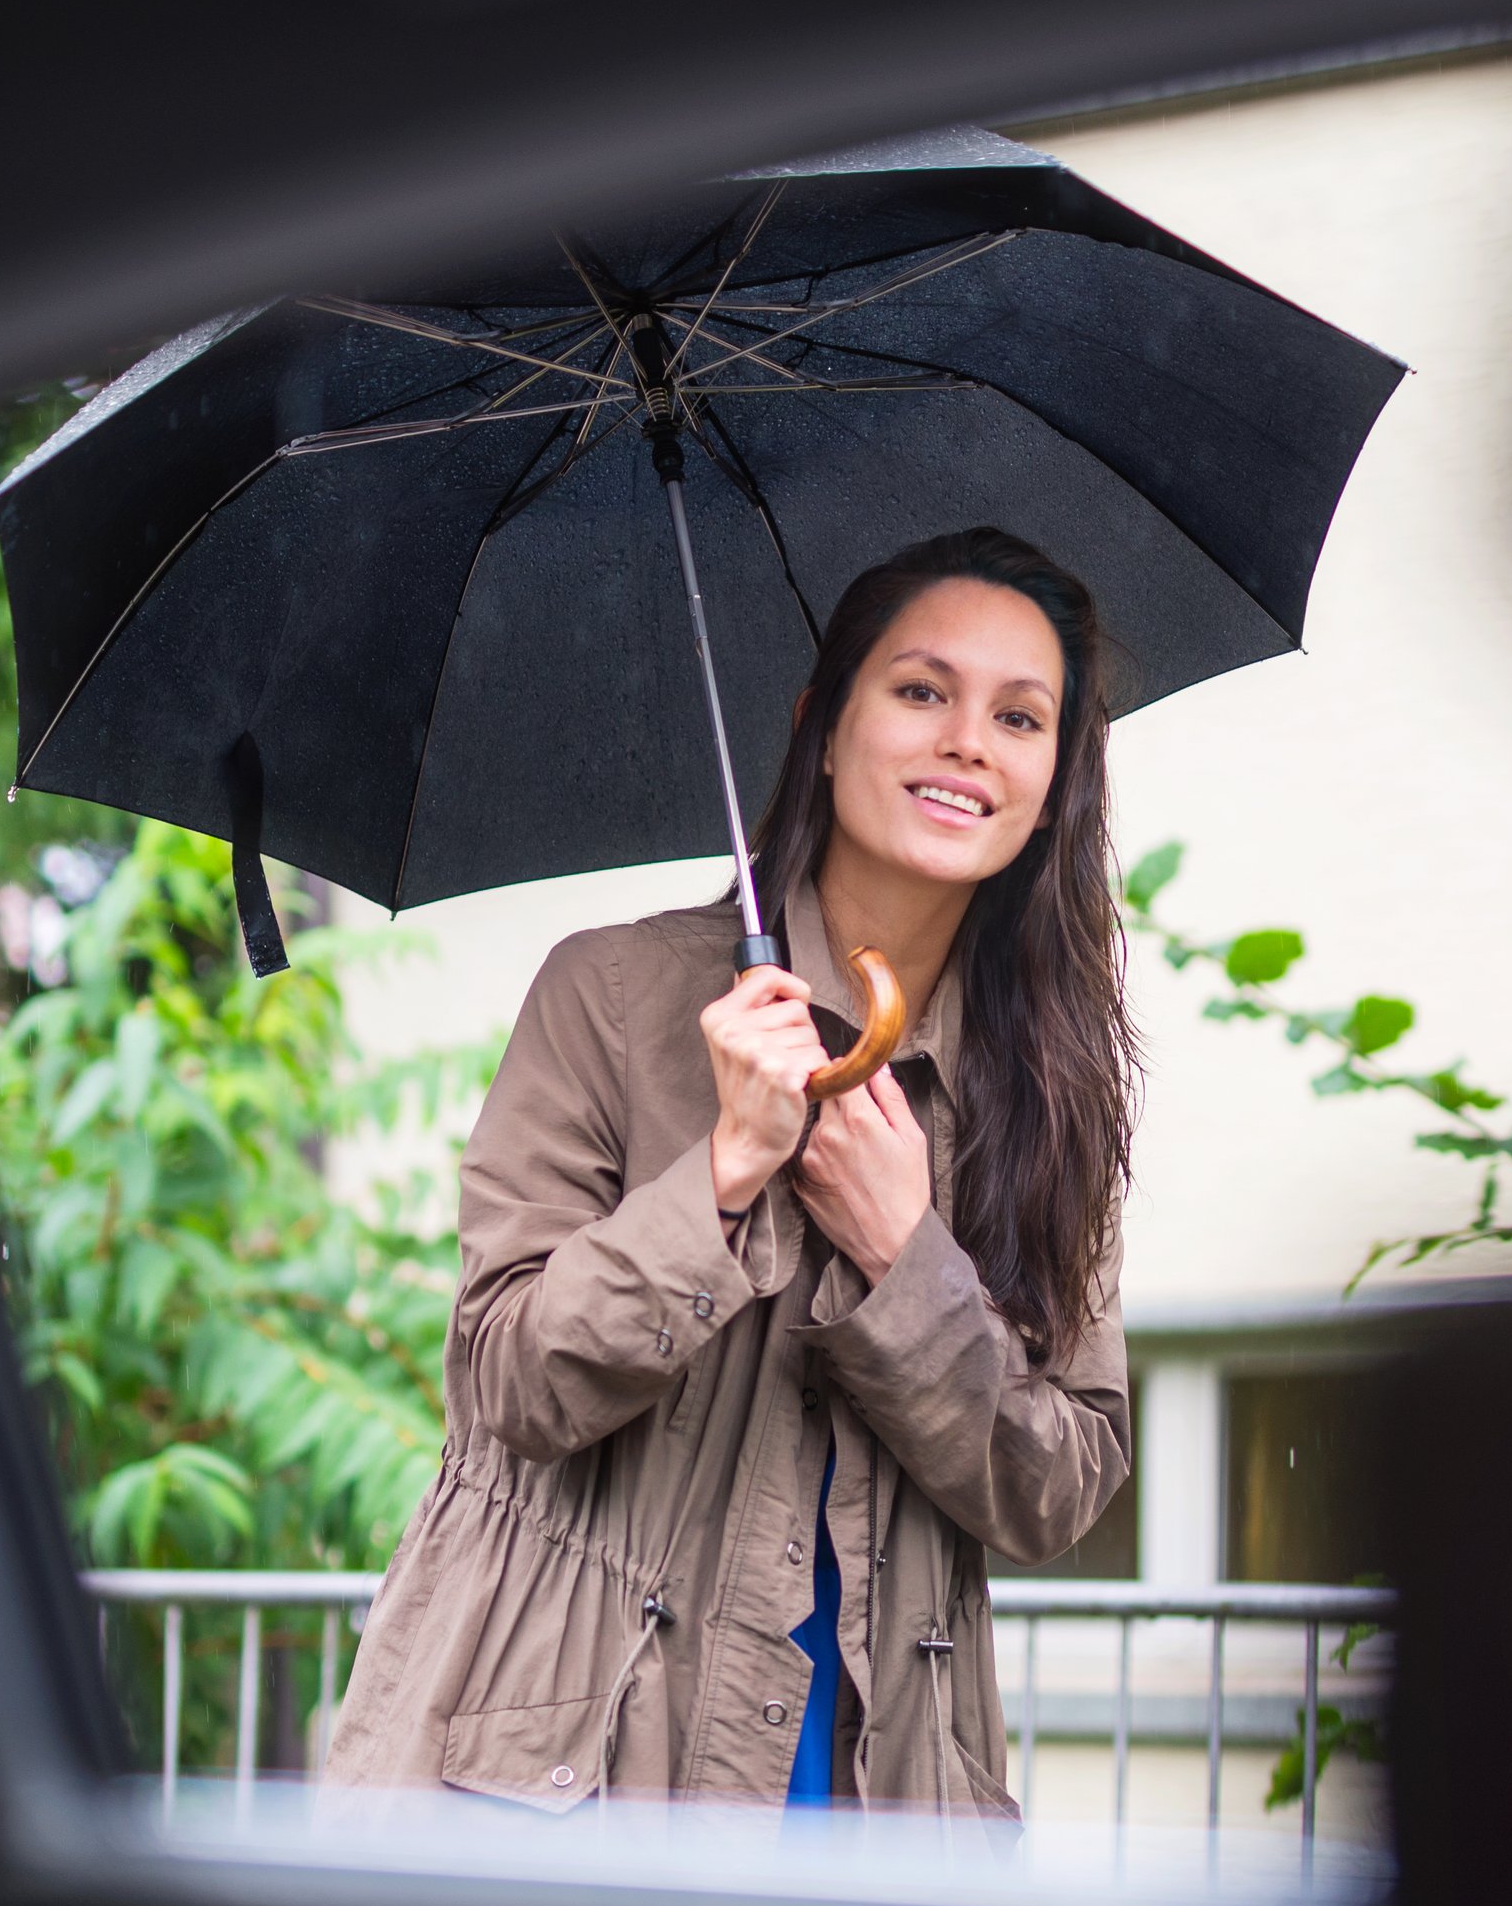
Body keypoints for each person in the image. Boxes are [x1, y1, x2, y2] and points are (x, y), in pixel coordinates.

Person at [326, 528, 1135, 1821]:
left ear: (1056, 778)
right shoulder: (610, 994)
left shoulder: (1046, 1091)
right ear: (825, 725)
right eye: (922, 691)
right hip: (574, 1775)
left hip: (882, 1795)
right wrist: (724, 1169)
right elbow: (508, 1380)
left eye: (1021, 716)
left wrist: (903, 1257)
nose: (969, 742)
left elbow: (1060, 1487)